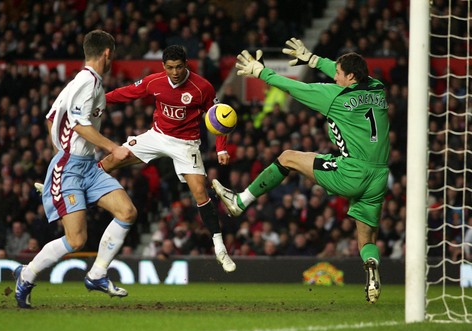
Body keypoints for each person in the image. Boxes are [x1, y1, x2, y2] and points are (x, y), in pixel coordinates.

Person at [212, 38, 390, 304]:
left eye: (339, 74)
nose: (335, 77)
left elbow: (295, 87)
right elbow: (341, 70)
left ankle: (240, 201)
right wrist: (313, 59)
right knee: (366, 238)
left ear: (350, 77)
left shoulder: (334, 96)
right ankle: (372, 269)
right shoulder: (378, 88)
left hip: (352, 172)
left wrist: (262, 72)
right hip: (379, 177)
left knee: (288, 158)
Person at [14, 30, 138, 309]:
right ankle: (27, 275)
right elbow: (80, 125)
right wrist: (111, 148)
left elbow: (51, 119)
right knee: (77, 238)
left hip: (87, 167)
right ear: (108, 53)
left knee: (127, 212)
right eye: (113, 54)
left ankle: (97, 274)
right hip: (70, 168)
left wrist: (64, 147)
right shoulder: (88, 82)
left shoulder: (77, 83)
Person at [97, 45, 235, 272]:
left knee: (200, 191)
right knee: (112, 160)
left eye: (179, 67)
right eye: (170, 68)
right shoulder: (154, 81)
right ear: (163, 66)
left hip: (186, 143)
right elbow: (128, 92)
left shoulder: (203, 88)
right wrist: (100, 101)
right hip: (157, 136)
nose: (175, 72)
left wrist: (221, 149)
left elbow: (218, 118)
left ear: (186, 64)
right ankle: (68, 185)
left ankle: (220, 248)